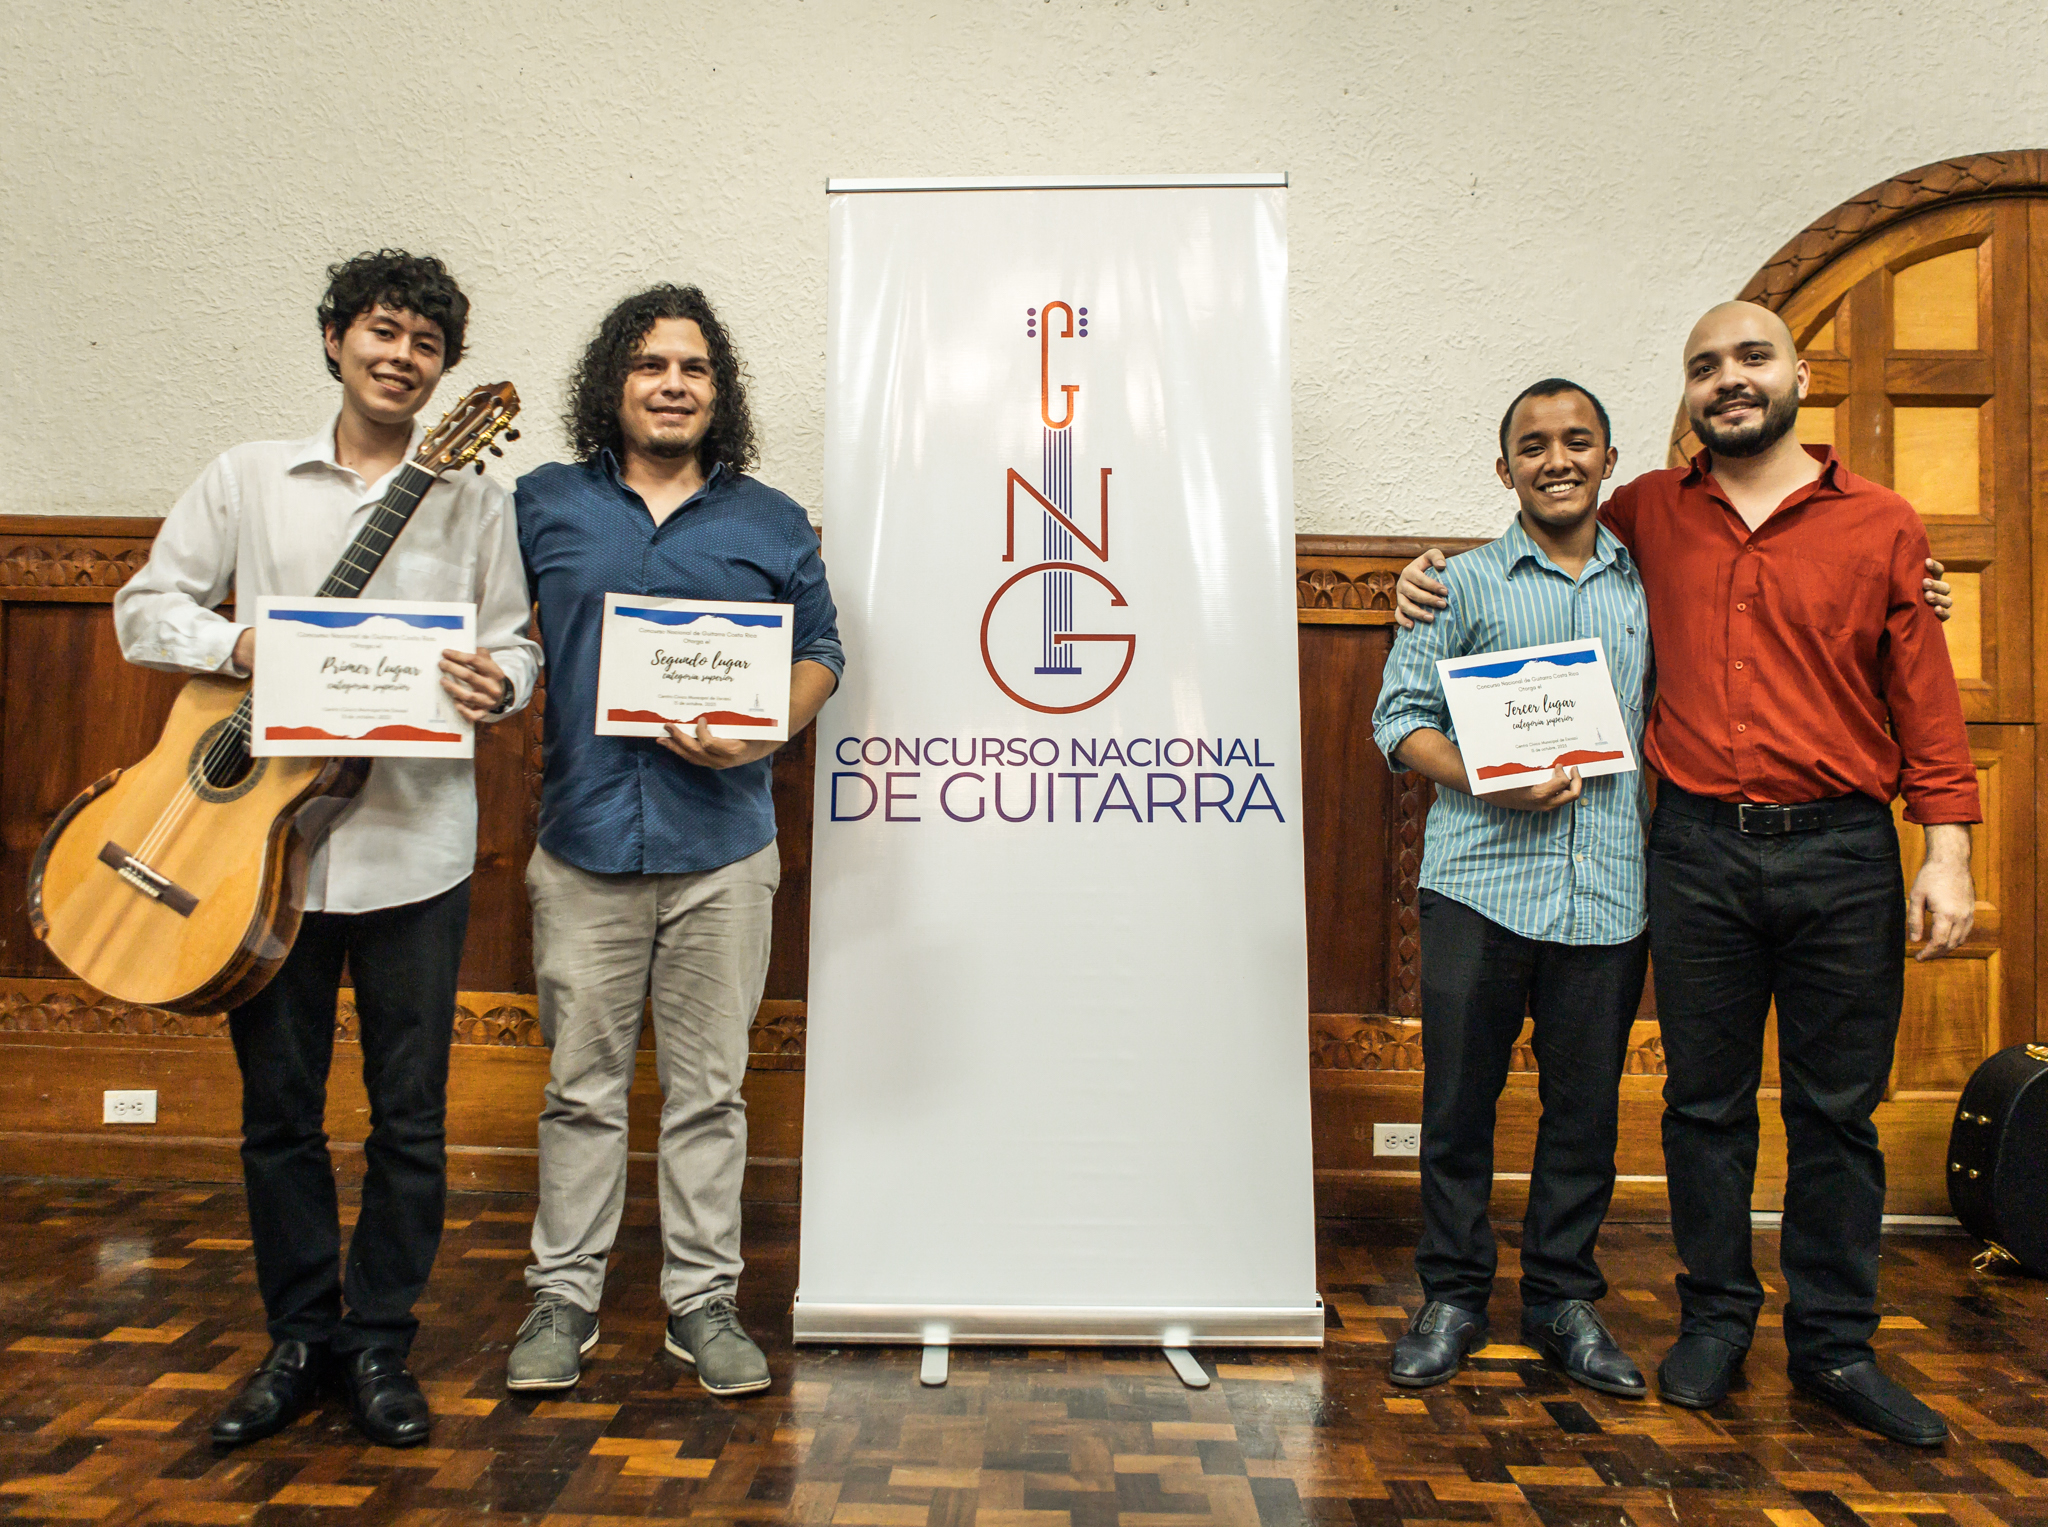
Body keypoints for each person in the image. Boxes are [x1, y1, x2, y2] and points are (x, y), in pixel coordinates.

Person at [1395, 302, 1977, 1446]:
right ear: (1686, 396)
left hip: (1841, 852)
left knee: (1835, 1114)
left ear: (1796, 374)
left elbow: (1924, 699)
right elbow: (1535, 532)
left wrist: (1946, 848)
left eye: (1750, 358)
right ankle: (1712, 1323)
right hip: (1697, 852)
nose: (1729, 379)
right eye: (1705, 366)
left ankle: (1834, 1346)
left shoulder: (1883, 526)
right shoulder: (1647, 514)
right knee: (1700, 1108)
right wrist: (1421, 574)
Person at [113, 250, 540, 1448]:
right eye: (382, 332)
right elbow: (144, 610)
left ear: (447, 374)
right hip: (260, 859)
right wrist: (241, 646)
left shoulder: (477, 503)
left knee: (411, 1118)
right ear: (334, 339)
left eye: (425, 345)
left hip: (416, 848)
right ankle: (298, 1336)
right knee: (279, 1114)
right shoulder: (247, 478)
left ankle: (381, 1342)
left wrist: (498, 681)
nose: (401, 358)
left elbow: (517, 646)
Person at [505, 285, 842, 1397]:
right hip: (584, 840)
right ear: (614, 382)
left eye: (693, 367)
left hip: (724, 849)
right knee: (580, 1089)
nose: (672, 384)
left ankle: (703, 1303)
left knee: (709, 1093)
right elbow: (497, 637)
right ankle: (563, 1297)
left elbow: (822, 652)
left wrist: (764, 729)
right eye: (650, 364)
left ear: (717, 389)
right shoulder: (542, 504)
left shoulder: (771, 520)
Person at [1372, 379, 1650, 1395]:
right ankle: (1450, 1296)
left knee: (1584, 1113)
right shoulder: (1457, 585)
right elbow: (1396, 722)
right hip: (1479, 884)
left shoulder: (1648, 583)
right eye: (1532, 446)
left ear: (1608, 460)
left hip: (1607, 888)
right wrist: (1491, 776)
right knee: (1456, 1105)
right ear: (1504, 469)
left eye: (1577, 441)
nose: (1555, 459)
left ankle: (1562, 1301)